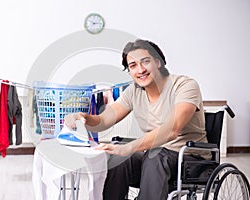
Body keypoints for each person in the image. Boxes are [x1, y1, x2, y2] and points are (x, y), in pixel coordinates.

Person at [65, 39, 210, 200]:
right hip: (154, 158)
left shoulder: (185, 85)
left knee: (154, 155)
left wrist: (130, 147)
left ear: (158, 62)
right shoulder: (133, 91)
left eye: (145, 62)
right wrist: (83, 117)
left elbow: (173, 128)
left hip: (190, 160)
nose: (140, 70)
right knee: (119, 158)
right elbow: (104, 120)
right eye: (133, 65)